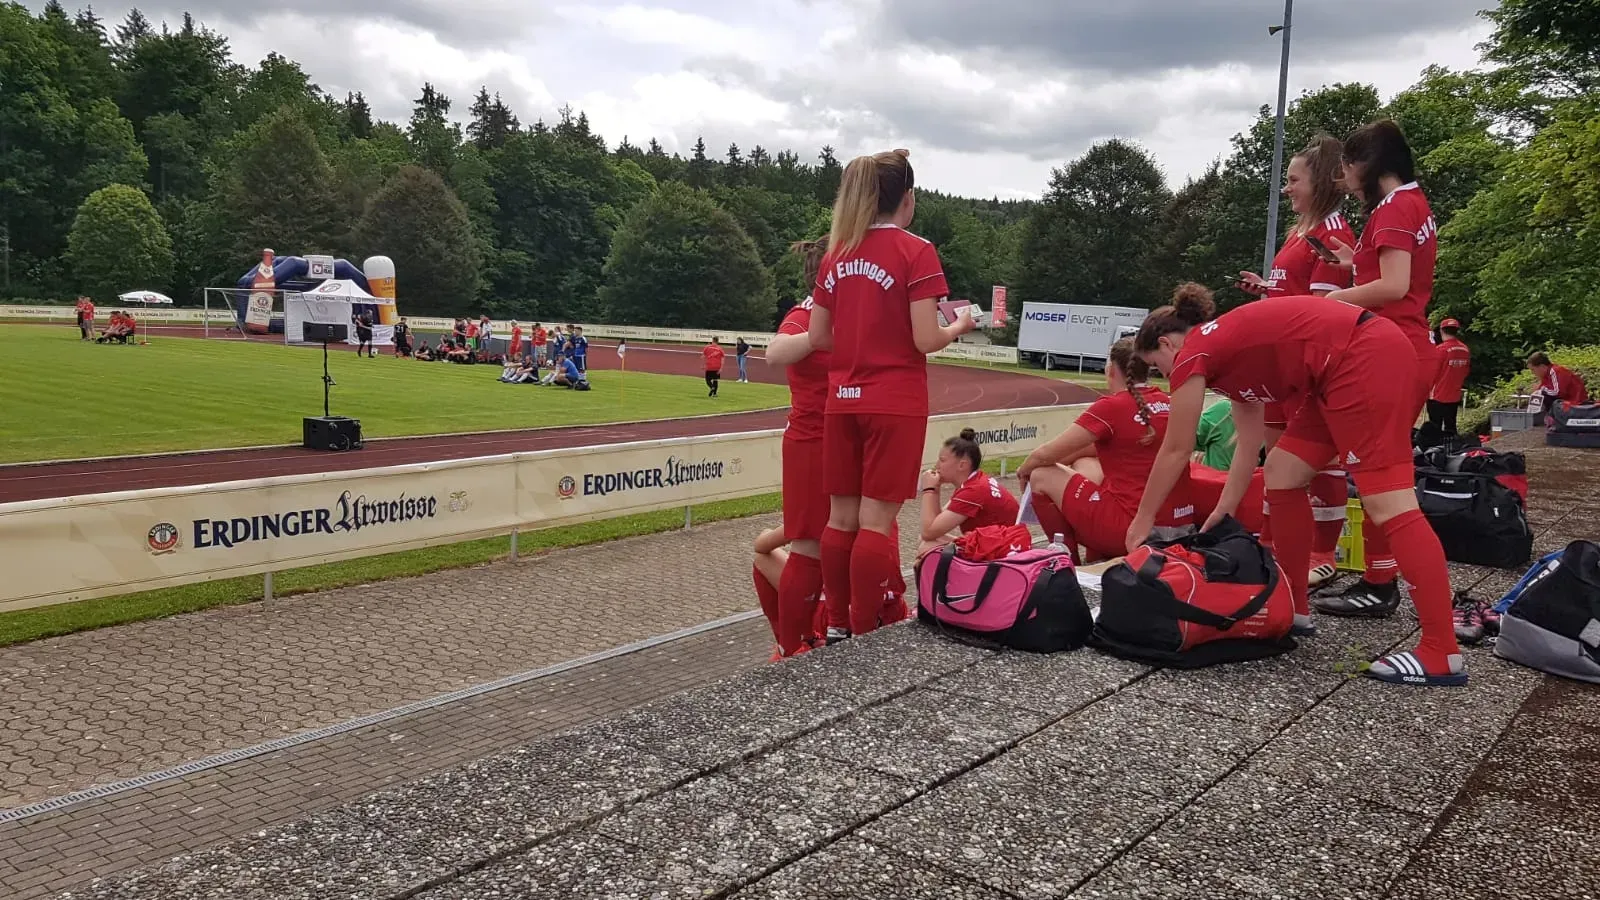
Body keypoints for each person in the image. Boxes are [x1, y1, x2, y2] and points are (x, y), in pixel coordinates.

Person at [1128, 288, 1465, 686]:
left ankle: (1441, 651)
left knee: (1389, 503)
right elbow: (1249, 445)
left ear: (1167, 343)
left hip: (1362, 356)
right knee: (1283, 472)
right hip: (1340, 366)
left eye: (1158, 366)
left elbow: (1176, 449)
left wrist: (1142, 519)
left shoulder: (1195, 351)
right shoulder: (1224, 355)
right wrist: (1225, 506)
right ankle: (1294, 610)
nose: (1167, 376)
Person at [808, 148, 975, 641]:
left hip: (842, 398)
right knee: (876, 521)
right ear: (909, 198)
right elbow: (926, 338)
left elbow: (819, 338)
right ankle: (865, 631)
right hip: (894, 399)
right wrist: (960, 326)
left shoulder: (836, 252)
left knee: (841, 517)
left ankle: (836, 622)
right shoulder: (915, 250)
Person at [1315, 119, 1441, 619]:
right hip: (1406, 348)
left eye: (1346, 166)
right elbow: (1394, 275)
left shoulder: (1394, 207)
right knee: (1376, 472)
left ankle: (1382, 582)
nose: (1342, 178)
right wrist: (1354, 261)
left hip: (1392, 349)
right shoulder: (1412, 202)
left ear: (1367, 165)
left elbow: (1393, 287)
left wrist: (1328, 303)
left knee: (1378, 476)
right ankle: (1381, 580)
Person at [1235, 135, 1354, 582]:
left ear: (1320, 182)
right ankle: (1269, 541)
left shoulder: (1334, 234)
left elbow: (1326, 312)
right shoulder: (1299, 232)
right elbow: (1296, 294)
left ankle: (1323, 555)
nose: (1286, 189)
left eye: (1293, 180)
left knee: (1320, 462)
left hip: (1308, 367)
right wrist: (1267, 291)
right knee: (1276, 456)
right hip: (1279, 364)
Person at [1017, 338, 1194, 563]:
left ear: (1110, 369)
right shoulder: (1166, 401)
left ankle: (1066, 562)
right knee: (1087, 465)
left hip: (1132, 529)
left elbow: (1045, 455)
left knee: (1042, 475)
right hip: (1180, 524)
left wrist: (1024, 471)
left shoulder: (1112, 407)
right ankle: (1094, 553)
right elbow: (1091, 449)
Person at [917, 429, 1020, 558]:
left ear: (962, 465)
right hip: (998, 545)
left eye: (942, 460)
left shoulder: (973, 492)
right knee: (926, 540)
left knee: (927, 547)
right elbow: (937, 525)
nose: (937, 465)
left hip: (1000, 553)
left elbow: (929, 532)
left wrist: (928, 490)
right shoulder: (974, 481)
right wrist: (935, 489)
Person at [1427, 319, 1471, 434]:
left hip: (1437, 395)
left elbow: (1432, 372)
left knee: (1434, 428)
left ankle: (1436, 449)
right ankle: (1451, 448)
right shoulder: (1465, 349)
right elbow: (1465, 371)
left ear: (1441, 330)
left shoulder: (1441, 349)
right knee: (1451, 427)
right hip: (1454, 395)